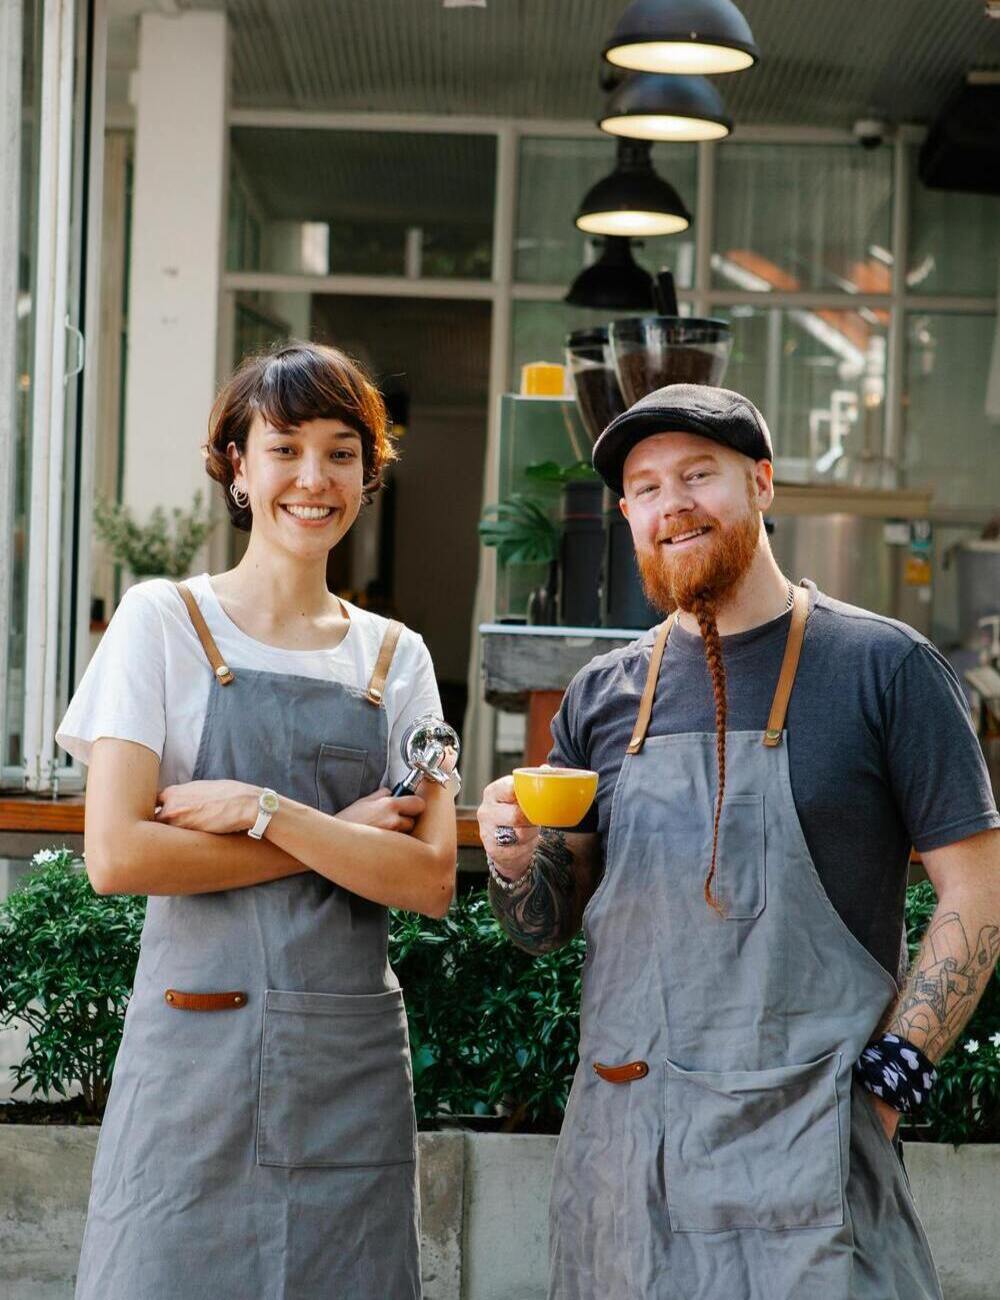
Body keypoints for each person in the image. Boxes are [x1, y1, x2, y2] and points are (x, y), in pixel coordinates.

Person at [477, 382, 1000, 1300]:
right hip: (623, 1169)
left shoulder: (886, 668)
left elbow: (978, 893)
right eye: (644, 488)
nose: (670, 503)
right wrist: (516, 853)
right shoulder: (601, 696)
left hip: (808, 1169)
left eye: (698, 474)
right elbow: (540, 927)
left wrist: (887, 1086)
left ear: (761, 483)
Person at [57, 342, 459, 1299]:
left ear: (368, 472)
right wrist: (334, 837)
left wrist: (261, 810)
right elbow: (118, 854)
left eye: (341, 452)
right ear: (237, 467)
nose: (313, 480)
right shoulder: (161, 622)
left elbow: (431, 880)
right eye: (283, 449)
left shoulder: (398, 658)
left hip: (345, 1069)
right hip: (193, 1061)